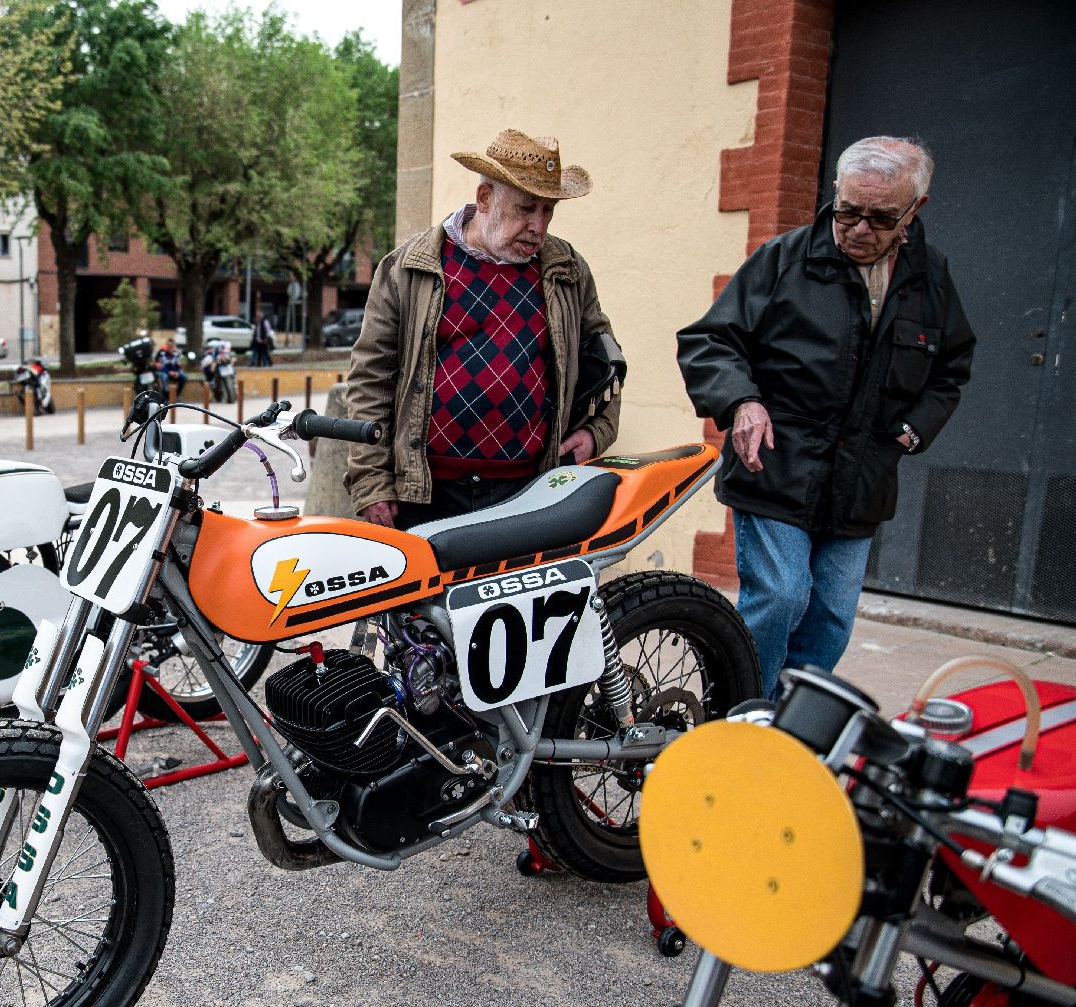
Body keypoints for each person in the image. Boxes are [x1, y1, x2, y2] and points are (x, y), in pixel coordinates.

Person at [679, 136, 974, 697]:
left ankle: (791, 729)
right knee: (783, 595)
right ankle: (742, 715)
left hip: (863, 475)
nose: (860, 229)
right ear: (834, 195)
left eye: (881, 218)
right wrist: (742, 401)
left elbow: (950, 369)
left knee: (832, 617)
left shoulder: (931, 276)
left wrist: (910, 435)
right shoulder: (784, 259)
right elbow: (710, 341)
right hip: (776, 463)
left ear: (916, 210)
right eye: (848, 212)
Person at [343, 128, 621, 529]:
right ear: (485, 198)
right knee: (428, 595)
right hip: (426, 493)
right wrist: (371, 482)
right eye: (526, 208)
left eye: (547, 211)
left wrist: (598, 431)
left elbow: (607, 358)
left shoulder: (567, 271)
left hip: (530, 491)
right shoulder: (409, 267)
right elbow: (371, 379)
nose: (538, 227)